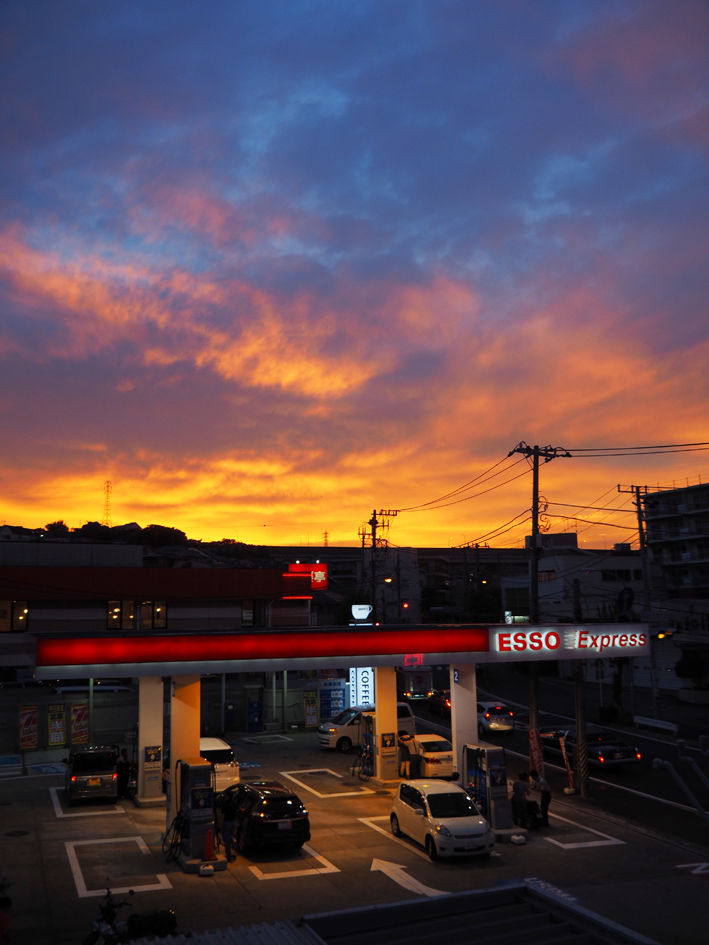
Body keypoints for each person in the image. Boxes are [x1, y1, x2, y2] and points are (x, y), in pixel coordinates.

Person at [219, 791, 238, 862]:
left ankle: (229, 855)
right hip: (233, 822)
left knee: (226, 838)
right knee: (230, 836)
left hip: (227, 822)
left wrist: (221, 824)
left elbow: (222, 813)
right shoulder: (234, 803)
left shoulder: (226, 804)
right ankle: (233, 849)